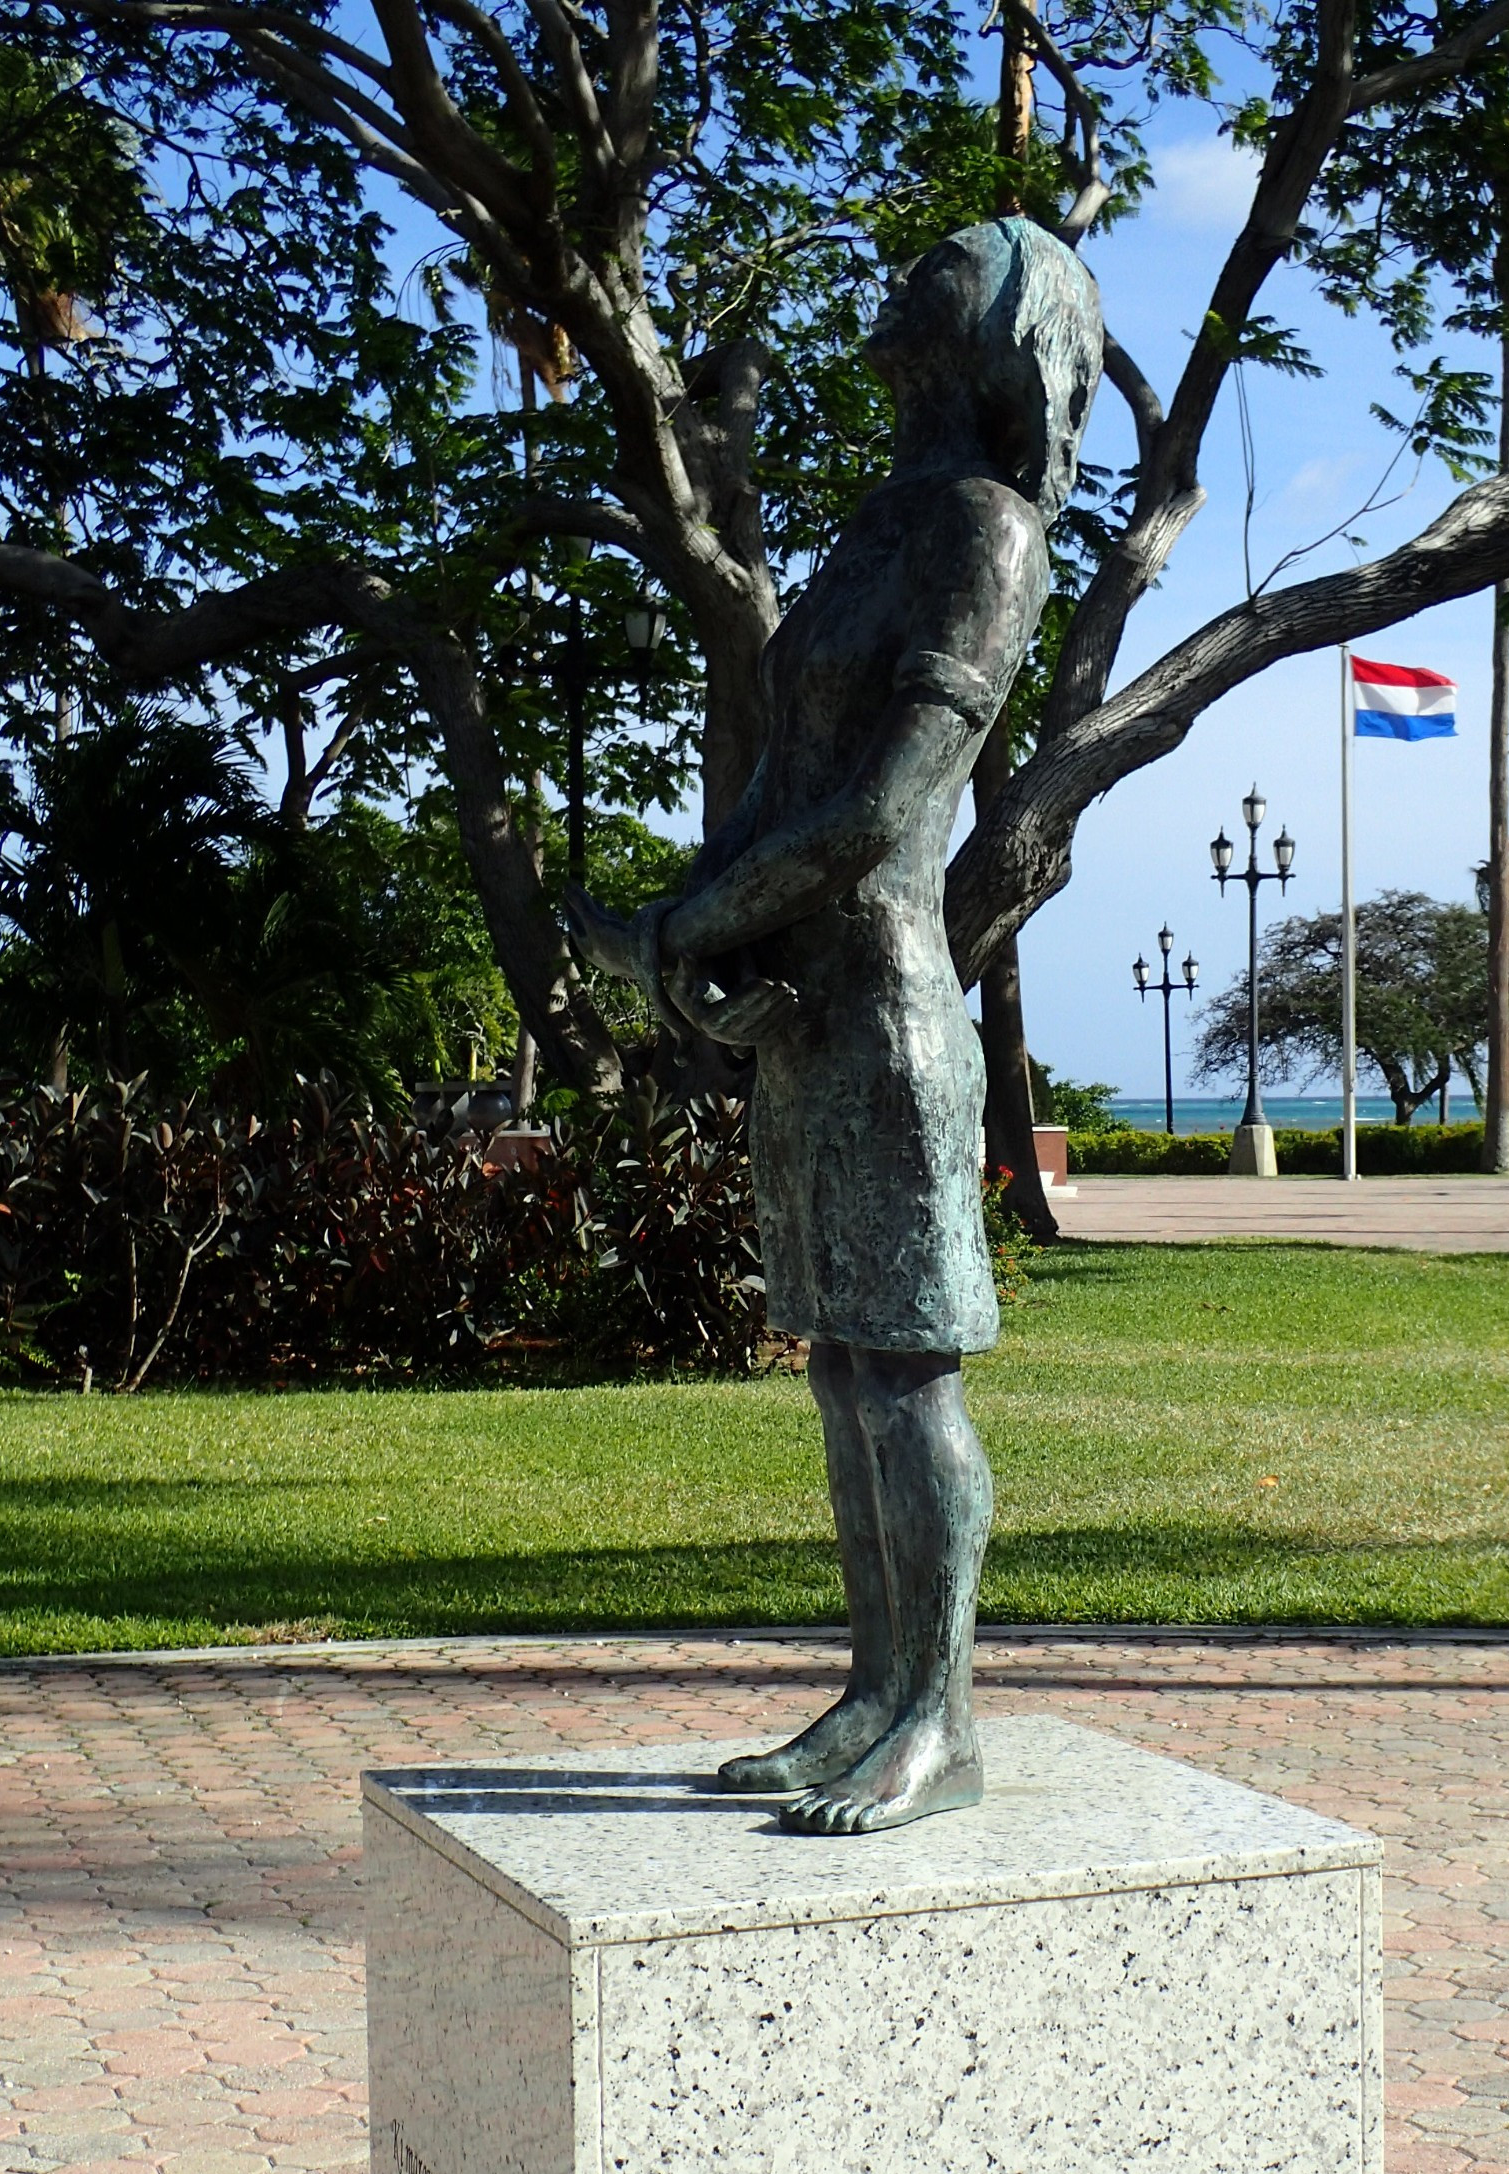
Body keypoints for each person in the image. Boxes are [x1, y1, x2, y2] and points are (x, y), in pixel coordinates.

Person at [569, 217, 1103, 1833]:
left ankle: (940, 1719)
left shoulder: (987, 534)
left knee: (908, 1384)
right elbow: (781, 786)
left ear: (1012, 327)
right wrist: (686, 921)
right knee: (840, 1372)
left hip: (884, 1015)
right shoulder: (884, 527)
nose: (919, 260)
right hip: (805, 1011)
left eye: (962, 257)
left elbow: (883, 813)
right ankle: (875, 1688)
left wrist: (689, 923)